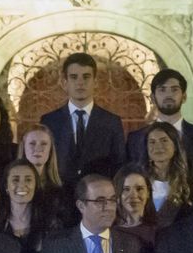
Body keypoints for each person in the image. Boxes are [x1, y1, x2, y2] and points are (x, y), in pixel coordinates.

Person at [40, 52, 127, 183]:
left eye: (86, 77)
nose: (80, 83)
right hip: (58, 196)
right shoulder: (49, 121)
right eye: (74, 77)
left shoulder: (112, 122)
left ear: (95, 82)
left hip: (98, 198)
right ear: (65, 83)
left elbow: (119, 165)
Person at [125, 69, 193, 166]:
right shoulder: (135, 139)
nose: (168, 95)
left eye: (174, 89)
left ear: (184, 96)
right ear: (152, 98)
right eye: (162, 90)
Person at [141, 121, 193, 227]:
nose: (158, 146)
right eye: (152, 142)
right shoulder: (138, 179)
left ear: (175, 146)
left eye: (164, 140)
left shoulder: (189, 182)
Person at [18, 123, 66, 203]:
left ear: (50, 150)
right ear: (23, 148)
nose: (38, 148)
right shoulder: (12, 183)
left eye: (44, 144)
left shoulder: (62, 188)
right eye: (32, 144)